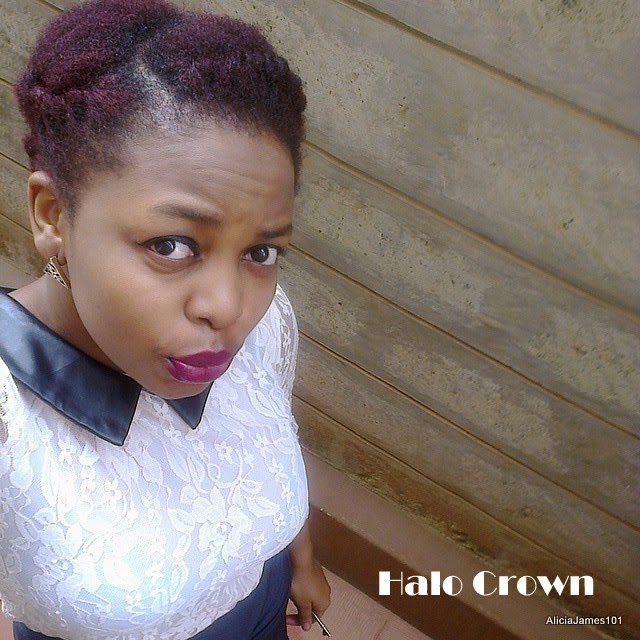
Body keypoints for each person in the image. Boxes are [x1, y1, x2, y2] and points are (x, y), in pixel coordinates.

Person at [0, 0, 331, 638]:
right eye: (172, 245)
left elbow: (265, 447)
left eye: (261, 252)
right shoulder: (11, 419)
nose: (229, 308)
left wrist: (302, 559)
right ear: (52, 216)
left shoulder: (264, 325)